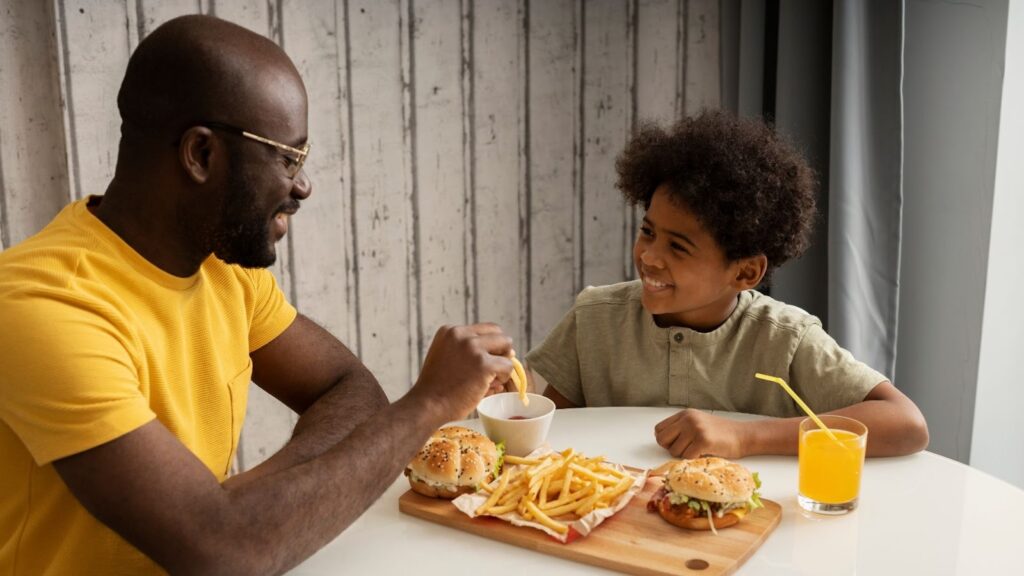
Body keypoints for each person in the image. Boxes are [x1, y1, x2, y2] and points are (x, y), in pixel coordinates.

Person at [0, 15, 515, 576]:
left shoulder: (225, 271)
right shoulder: (42, 308)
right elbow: (226, 554)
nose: (301, 185)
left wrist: (242, 503)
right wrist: (430, 404)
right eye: (287, 157)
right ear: (200, 154)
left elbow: (350, 389)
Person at [520, 110, 929, 459]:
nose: (649, 256)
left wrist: (745, 436)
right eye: (648, 231)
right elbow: (557, 437)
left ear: (745, 273)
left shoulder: (785, 338)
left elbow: (907, 424)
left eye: (678, 247)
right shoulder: (595, 318)